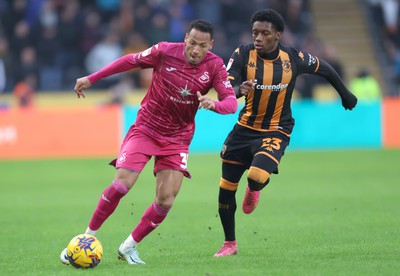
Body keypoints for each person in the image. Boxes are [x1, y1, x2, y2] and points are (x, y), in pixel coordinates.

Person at [60, 19, 237, 265]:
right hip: (146, 128)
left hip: (177, 138)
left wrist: (213, 104)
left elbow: (231, 102)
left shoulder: (215, 65)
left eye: (203, 45)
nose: (196, 50)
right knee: (122, 184)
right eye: (193, 43)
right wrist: (93, 78)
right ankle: (85, 239)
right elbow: (129, 61)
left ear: (211, 45)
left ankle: (129, 247)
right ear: (185, 38)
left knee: (166, 199)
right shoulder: (164, 51)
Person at [213, 9, 357, 257]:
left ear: (278, 35)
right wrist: (239, 89)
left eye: (265, 33)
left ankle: (254, 189)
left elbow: (325, 69)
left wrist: (345, 94)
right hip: (244, 129)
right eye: (255, 32)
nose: (258, 37)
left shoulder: (293, 57)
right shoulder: (242, 53)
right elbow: (225, 90)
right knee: (226, 187)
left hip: (276, 130)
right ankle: (229, 244)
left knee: (256, 175)